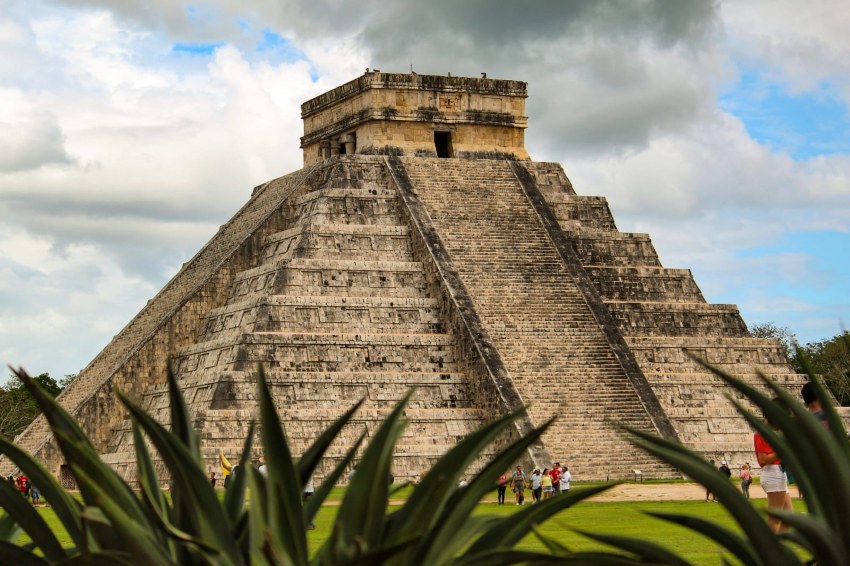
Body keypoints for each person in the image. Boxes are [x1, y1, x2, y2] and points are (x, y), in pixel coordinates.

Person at [755, 418, 793, 532]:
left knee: (788, 518)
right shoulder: (763, 434)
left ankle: (779, 547)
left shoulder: (775, 434)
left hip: (779, 473)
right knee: (775, 518)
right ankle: (769, 548)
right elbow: (763, 459)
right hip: (773, 473)